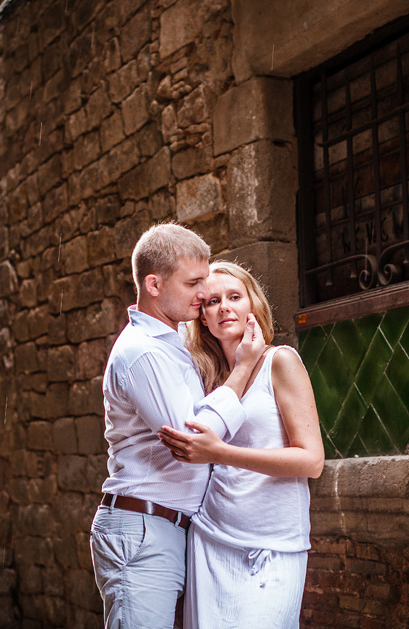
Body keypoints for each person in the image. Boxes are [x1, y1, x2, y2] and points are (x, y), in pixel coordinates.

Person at [90, 225, 266, 629]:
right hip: (144, 529)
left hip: (170, 529)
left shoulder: (173, 340)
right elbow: (192, 441)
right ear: (154, 285)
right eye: (193, 283)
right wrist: (242, 369)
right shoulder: (143, 353)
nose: (204, 293)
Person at [158, 261, 325, 629]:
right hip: (211, 539)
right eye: (212, 301)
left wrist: (220, 453)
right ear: (203, 317)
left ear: (253, 305)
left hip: (274, 544)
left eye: (234, 297)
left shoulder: (280, 361)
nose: (224, 307)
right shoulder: (204, 376)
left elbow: (312, 460)